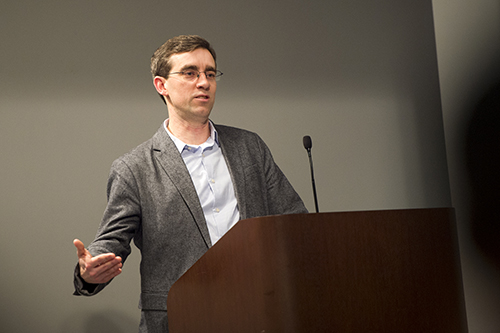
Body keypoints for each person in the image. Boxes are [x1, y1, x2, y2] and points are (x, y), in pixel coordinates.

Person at [73, 35, 308, 333]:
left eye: (210, 73)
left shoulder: (250, 147)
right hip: (180, 319)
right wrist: (89, 271)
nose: (203, 82)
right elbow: (111, 243)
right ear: (162, 85)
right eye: (190, 73)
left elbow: (294, 222)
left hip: (260, 313)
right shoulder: (134, 168)